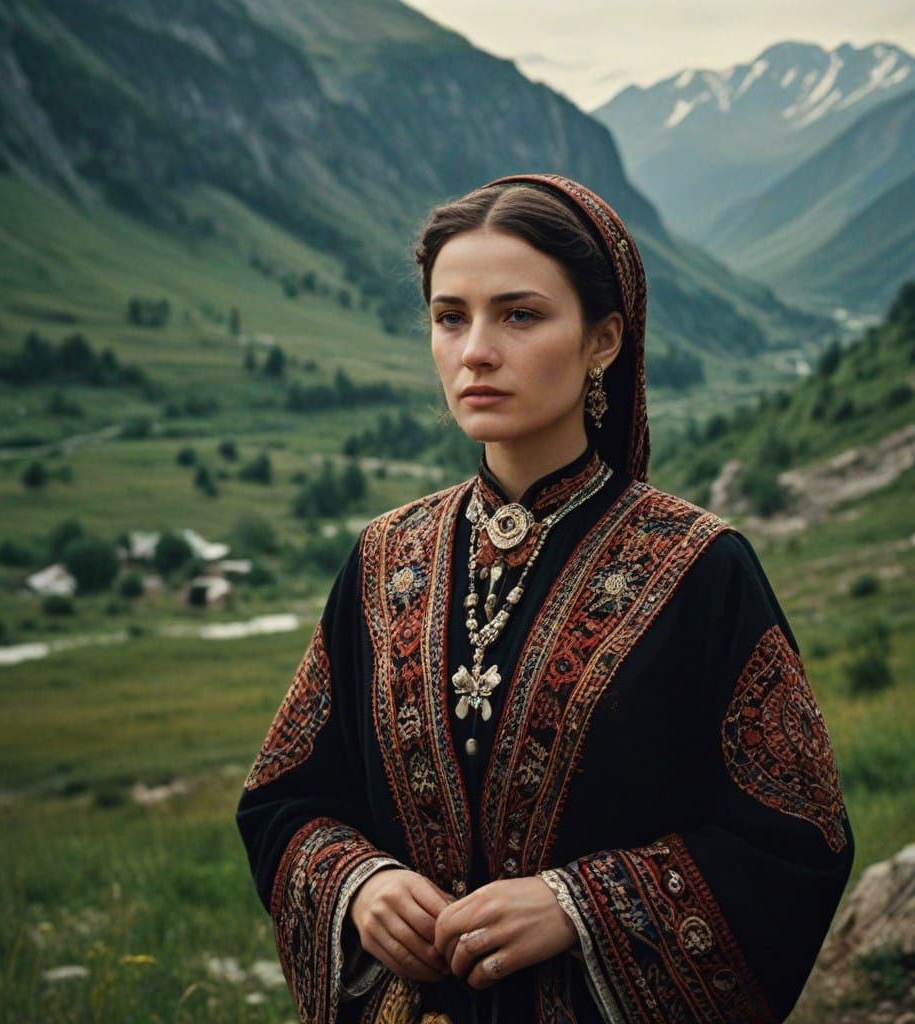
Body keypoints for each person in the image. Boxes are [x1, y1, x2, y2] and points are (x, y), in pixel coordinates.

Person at [236, 173, 854, 1024]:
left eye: (519, 315)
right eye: (450, 317)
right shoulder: (384, 561)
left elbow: (795, 838)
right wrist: (358, 884)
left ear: (604, 340)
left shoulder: (700, 568)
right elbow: (285, 798)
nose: (474, 350)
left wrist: (580, 906)